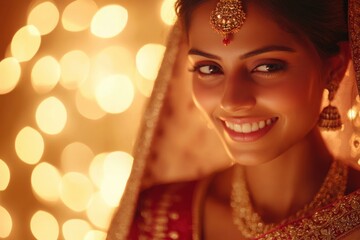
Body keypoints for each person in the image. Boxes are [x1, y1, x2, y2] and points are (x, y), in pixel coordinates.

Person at [107, 0, 360, 239]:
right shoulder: (154, 218)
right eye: (209, 68)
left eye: (267, 67)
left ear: (335, 67)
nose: (231, 101)